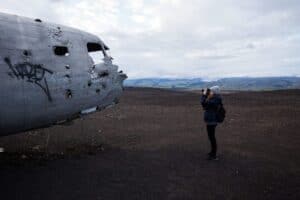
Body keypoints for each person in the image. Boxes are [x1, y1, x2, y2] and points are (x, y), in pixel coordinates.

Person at [201, 86, 223, 160]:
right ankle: (212, 152)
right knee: (211, 137)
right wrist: (207, 96)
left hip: (212, 121)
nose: (209, 92)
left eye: (211, 91)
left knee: (212, 137)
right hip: (210, 120)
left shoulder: (216, 99)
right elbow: (204, 105)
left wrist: (204, 95)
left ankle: (214, 155)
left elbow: (203, 102)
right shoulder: (213, 98)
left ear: (214, 92)